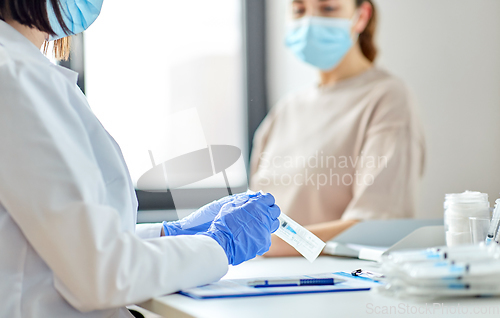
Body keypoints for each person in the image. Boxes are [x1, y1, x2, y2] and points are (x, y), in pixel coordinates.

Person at [0, 1, 281, 317]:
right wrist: (218, 245)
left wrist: (169, 234)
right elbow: (103, 274)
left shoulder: (26, 72)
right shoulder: (16, 78)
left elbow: (60, 241)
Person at [250, 0, 425, 257]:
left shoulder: (387, 98)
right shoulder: (285, 109)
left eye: (328, 8)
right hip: (260, 282)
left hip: (334, 286)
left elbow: (375, 228)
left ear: (361, 16)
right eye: (299, 10)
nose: (309, 22)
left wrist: (263, 244)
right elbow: (256, 213)